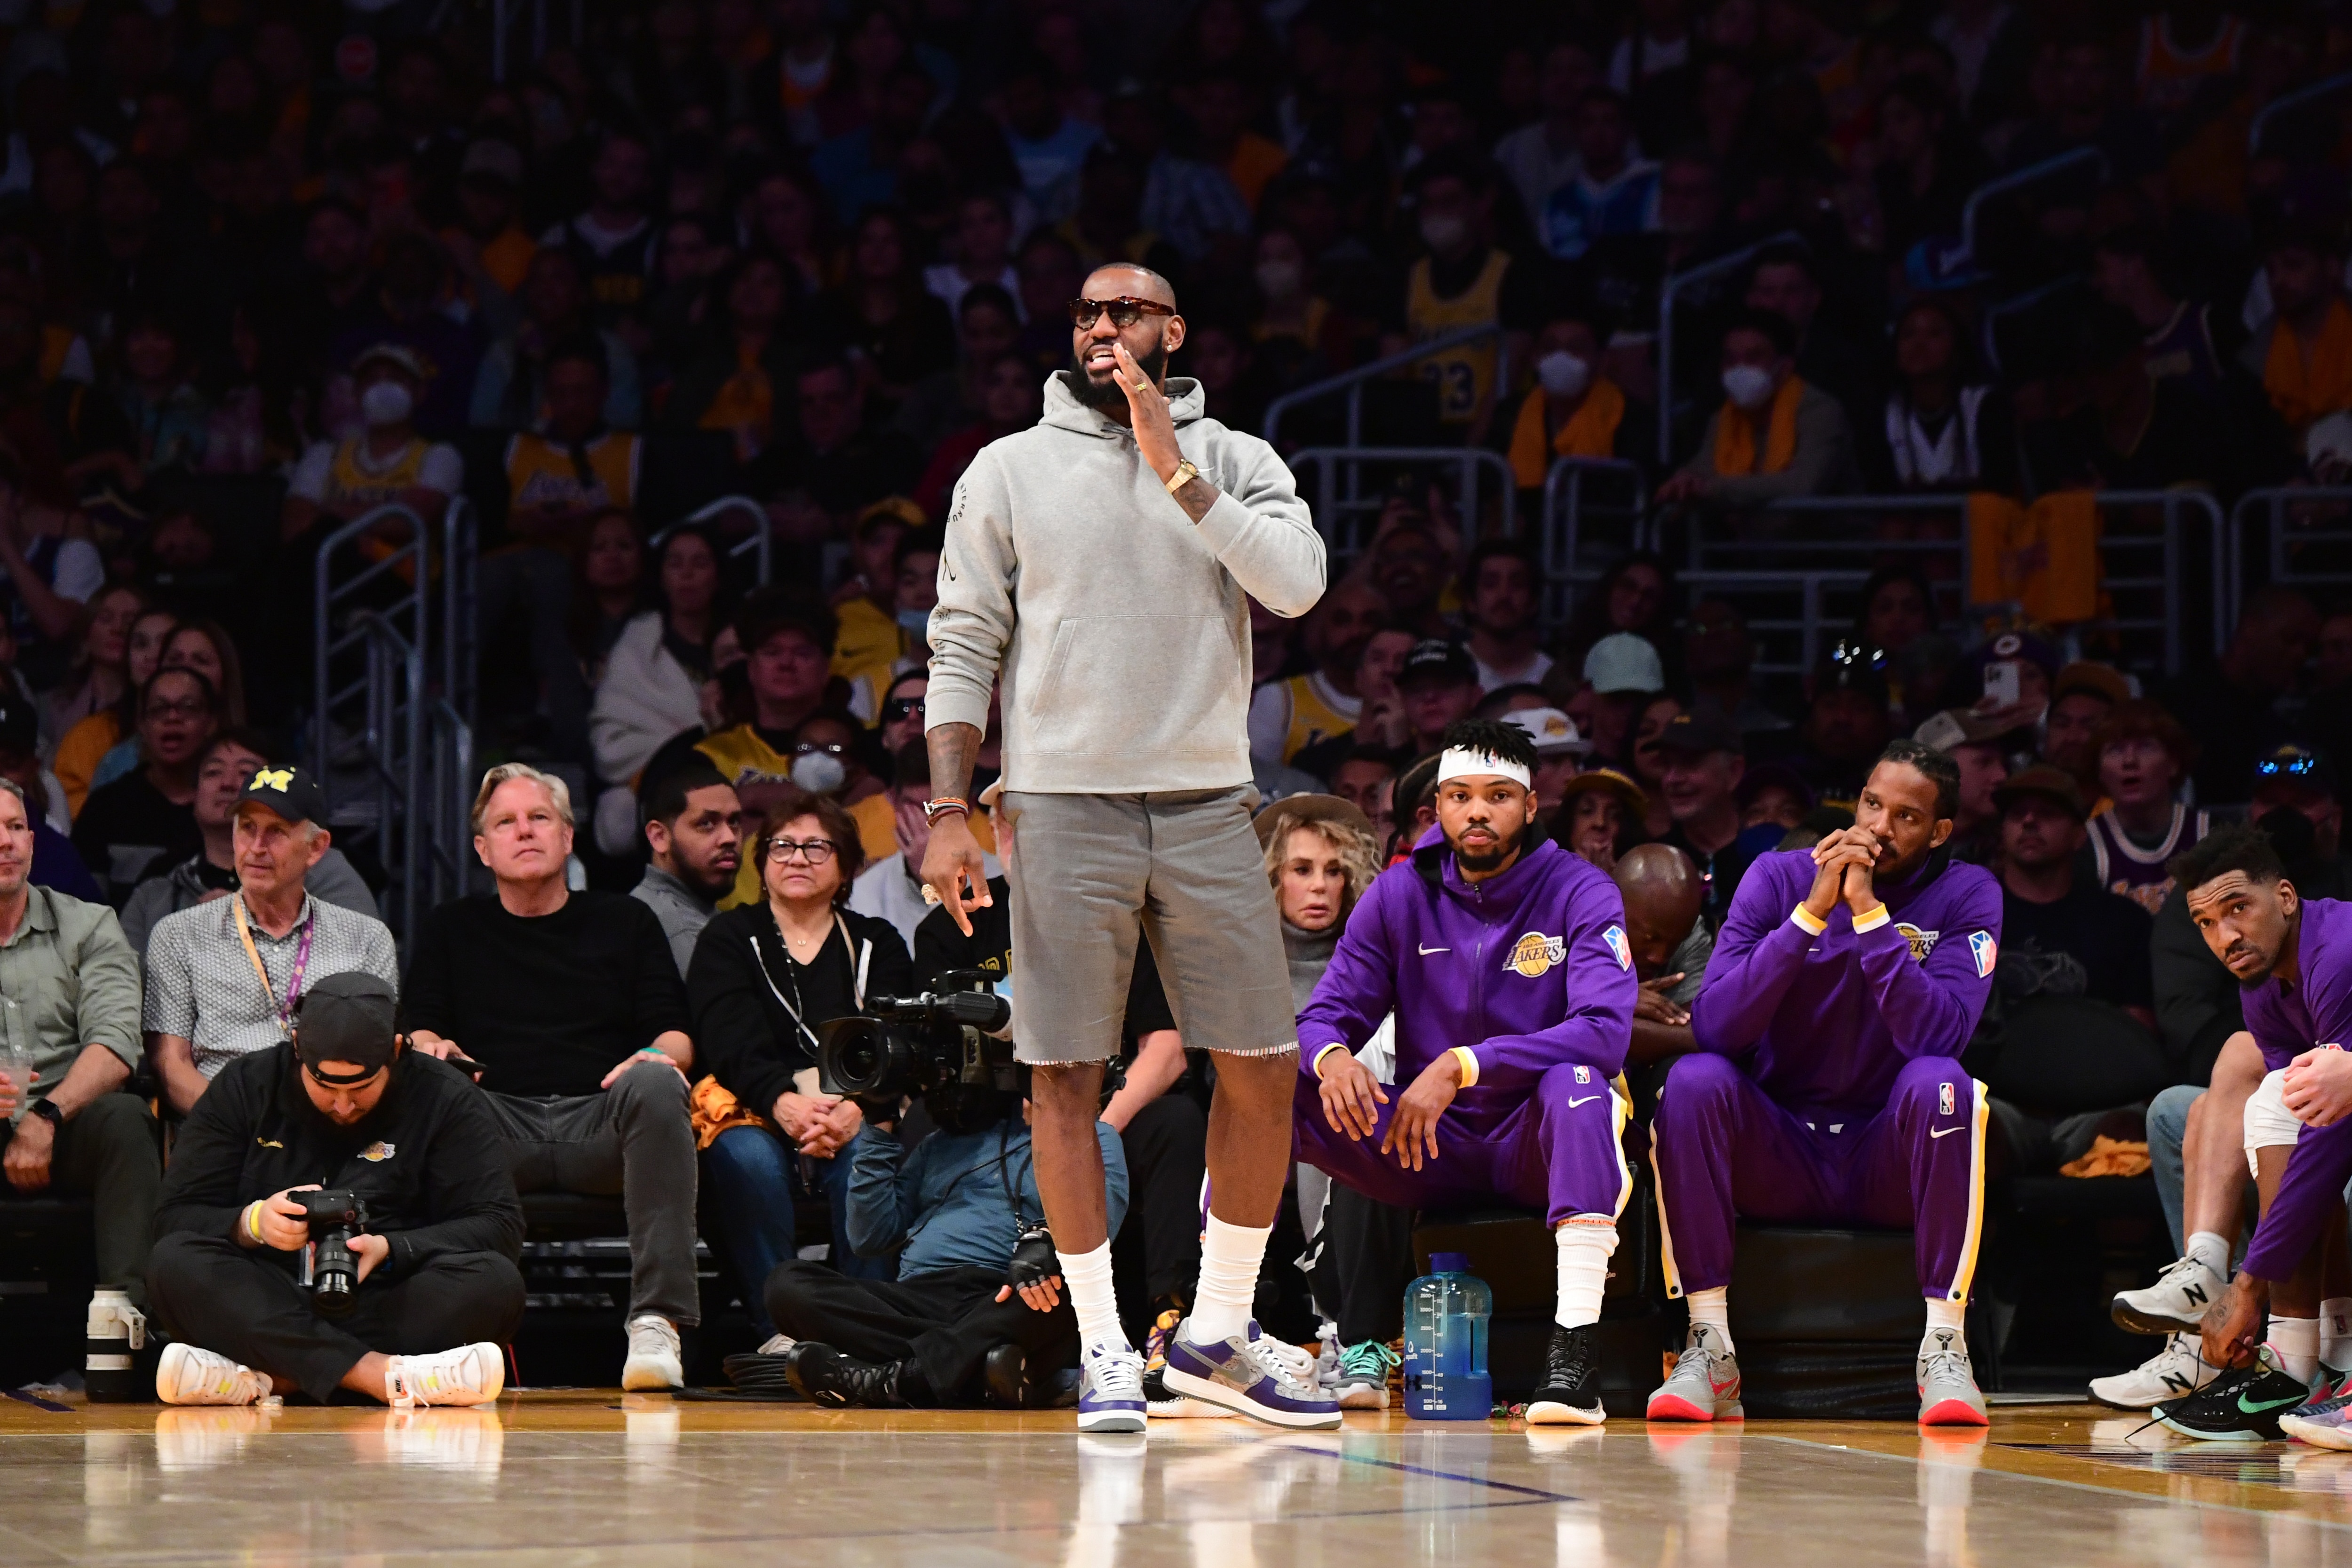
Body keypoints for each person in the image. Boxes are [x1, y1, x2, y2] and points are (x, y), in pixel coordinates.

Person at [922, 260, 1335, 1432]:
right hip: (1060, 801)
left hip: (1207, 798)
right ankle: (1105, 1343)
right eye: (1087, 311)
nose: (1102, 325)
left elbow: (1297, 589)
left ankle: (1216, 1332)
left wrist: (1175, 467)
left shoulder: (1235, 456)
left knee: (1262, 1063)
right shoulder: (1008, 467)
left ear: (1174, 331)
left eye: (1128, 311)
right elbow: (962, 638)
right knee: (1063, 1073)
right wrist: (949, 809)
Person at [1647, 739, 2003, 1427]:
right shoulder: (1776, 877)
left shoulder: (1967, 893)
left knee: (1944, 1083)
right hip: (1783, 1147)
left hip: (1884, 1153)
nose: (1878, 827)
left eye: (1905, 817)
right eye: (1872, 804)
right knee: (1691, 1080)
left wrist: (1869, 915)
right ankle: (1708, 1346)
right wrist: (1809, 915)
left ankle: (1943, 1348)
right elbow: (1716, 1025)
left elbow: (1939, 1037)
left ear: (1938, 832)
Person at [1295, 720, 1638, 1425]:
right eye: (1460, 797)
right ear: (1438, 808)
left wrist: (1465, 1063)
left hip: (1532, 1138)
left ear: (1530, 805)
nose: (1477, 812)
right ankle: (1219, 1328)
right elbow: (1325, 1012)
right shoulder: (1399, 895)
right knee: (1267, 1081)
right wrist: (1330, 1059)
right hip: (1431, 1140)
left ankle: (1574, 1357)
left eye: (1497, 796)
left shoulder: (1581, 889)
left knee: (1577, 1082)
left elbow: (1605, 1031)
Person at [403, 764, 698, 1393]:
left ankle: (656, 1321)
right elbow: (419, 1028)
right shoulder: (450, 927)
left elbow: (676, 1034)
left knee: (659, 1080)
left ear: (567, 837)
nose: (524, 831)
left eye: (539, 818)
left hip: (602, 1120)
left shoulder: (626, 920)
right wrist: (432, 1047)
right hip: (496, 1124)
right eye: (505, 822)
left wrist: (654, 1056)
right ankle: (449, 1324)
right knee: (426, 1082)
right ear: (483, 849)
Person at [145, 972, 522, 1408]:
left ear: (396, 1051)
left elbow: (499, 1225)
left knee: (497, 1284)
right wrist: (253, 1223)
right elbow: (174, 1217)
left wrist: (392, 1248)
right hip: (268, 1288)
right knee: (174, 1263)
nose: (343, 1105)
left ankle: (271, 1376)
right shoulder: (245, 1085)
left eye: (361, 1087)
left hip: (385, 1291)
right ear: (297, 1048)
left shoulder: (445, 1095)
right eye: (325, 1086)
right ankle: (380, 1375)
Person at [2140, 829, 2352, 1442]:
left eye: (2238, 909)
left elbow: (2330, 1137)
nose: (2225, 936)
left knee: (2314, 1114)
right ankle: (2300, 1362)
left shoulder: (2335, 952)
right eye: (2206, 923)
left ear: (2284, 897)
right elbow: (2306, 1127)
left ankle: (2332, 1356)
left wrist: (2249, 1284)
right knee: (2273, 1103)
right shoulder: (2261, 990)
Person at [688, 791, 915, 1338]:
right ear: (762, 862)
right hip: (755, 1103)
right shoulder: (729, 938)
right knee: (748, 1160)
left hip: (855, 1109)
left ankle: (865, 1331)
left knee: (868, 1159)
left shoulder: (877, 943)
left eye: (817, 847)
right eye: (782, 846)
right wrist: (783, 1102)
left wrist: (859, 1107)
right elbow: (727, 1039)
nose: (796, 858)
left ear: (847, 867)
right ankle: (779, 1331)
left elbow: (900, 1040)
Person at [772, 1085, 1130, 1410]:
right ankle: (979, 1372)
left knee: (1062, 1294)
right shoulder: (937, 1144)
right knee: (787, 1286)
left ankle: (894, 1380)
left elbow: (1100, 1223)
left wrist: (1044, 1241)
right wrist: (877, 1127)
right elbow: (869, 1238)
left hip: (1004, 1296)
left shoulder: (1093, 1136)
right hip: (921, 1296)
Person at [143, 764, 399, 1117]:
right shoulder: (178, 935)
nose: (257, 847)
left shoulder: (366, 938)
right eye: (247, 828)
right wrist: (236, 1128)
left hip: (333, 1123)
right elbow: (171, 1064)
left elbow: (378, 1060)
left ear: (316, 848)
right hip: (223, 1125)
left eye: (276, 831)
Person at [0, 777, 150, 1324]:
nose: (6, 841)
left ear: (33, 842)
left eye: (16, 827)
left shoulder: (89, 925)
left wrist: (45, 1115)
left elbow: (116, 1042)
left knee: (127, 1118)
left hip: (67, 1123)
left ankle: (126, 1327)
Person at [1981, 765, 2165, 1176]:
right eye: (2017, 814)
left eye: (2047, 813)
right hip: (2001, 1100)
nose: (2030, 821)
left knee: (2130, 1132)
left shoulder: (2123, 922)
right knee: (1969, 1130)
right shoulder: (1970, 919)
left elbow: (2138, 1037)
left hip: (2097, 1103)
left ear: (2080, 835)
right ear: (2002, 831)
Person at [120, 731, 377, 956]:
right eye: (213, 772)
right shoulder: (155, 894)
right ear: (194, 796)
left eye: (246, 773)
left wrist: (256, 925)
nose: (228, 783)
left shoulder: (321, 868)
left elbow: (361, 958)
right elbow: (125, 983)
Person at [1655, 309, 1859, 506]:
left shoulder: (1820, 412)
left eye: (1753, 358)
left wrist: (1713, 489)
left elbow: (1803, 484)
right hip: (1747, 531)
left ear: (1785, 368)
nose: (1739, 369)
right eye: (1730, 360)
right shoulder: (1724, 418)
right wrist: (1684, 481)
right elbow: (1702, 469)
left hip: (1822, 530)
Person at [72, 666, 217, 902]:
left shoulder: (225, 808)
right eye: (159, 709)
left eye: (188, 707)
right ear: (142, 724)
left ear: (211, 722)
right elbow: (82, 908)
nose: (173, 717)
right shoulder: (106, 807)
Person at [849, 743, 998, 948]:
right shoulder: (864, 893)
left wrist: (934, 874)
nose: (928, 822)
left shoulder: (1000, 878)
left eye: (940, 809)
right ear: (894, 803)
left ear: (969, 807)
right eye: (915, 808)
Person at [2082, 699, 2209, 913]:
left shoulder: (2212, 835)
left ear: (2173, 764)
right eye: (2116, 749)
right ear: (2100, 771)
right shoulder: (2085, 846)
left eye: (2145, 747)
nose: (2129, 761)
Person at [1246, 579, 1386, 768]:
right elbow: (1260, 779)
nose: (1356, 632)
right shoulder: (1279, 698)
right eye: (1342, 620)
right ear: (1322, 628)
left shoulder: (1411, 698)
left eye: (1370, 621)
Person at [631, 759, 743, 979]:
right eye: (707, 824)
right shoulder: (676, 928)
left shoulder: (690, 914)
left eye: (734, 822)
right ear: (659, 837)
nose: (730, 838)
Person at [1614, 843, 1713, 1071]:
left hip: (1647, 1076)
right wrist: (1615, 999)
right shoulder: (1578, 922)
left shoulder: (1690, 931)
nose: (1660, 958)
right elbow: (1563, 1026)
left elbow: (1696, 1024)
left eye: (1676, 943)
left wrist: (1606, 1016)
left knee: (1697, 1070)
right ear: (1614, 907)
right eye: (1651, 938)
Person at [1654, 709, 1754, 927]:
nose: (1673, 779)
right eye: (1667, 764)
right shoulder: (1653, 864)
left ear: (1734, 771)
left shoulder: (1766, 854)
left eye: (1689, 763)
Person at [1463, 541, 1552, 692]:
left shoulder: (1553, 677)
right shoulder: (1446, 671)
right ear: (1470, 601)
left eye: (1517, 585)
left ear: (1534, 602)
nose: (1504, 595)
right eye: (1490, 584)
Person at [1397, 638, 1486, 761]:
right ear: (1403, 700)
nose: (1430, 696)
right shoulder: (1385, 768)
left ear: (1475, 695)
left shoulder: (1500, 763)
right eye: (1417, 689)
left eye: (1445, 685)